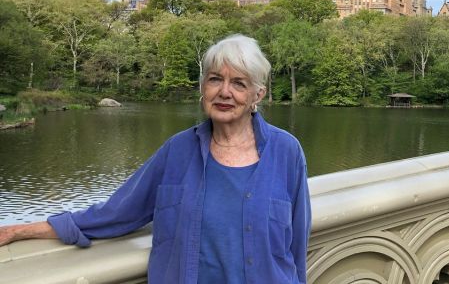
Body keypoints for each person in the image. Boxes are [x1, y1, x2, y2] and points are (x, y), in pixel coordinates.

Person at [0, 34, 312, 283]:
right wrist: (18, 230)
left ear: (257, 95)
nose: (224, 92)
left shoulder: (287, 153)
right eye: (215, 79)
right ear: (203, 87)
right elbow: (117, 212)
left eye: (239, 83)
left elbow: (297, 247)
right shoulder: (177, 152)